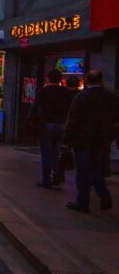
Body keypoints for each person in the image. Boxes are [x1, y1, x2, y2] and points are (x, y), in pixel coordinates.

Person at [61, 70, 119, 213]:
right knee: (96, 168)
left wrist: (67, 140)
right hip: (101, 140)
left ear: (87, 80)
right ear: (101, 80)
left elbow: (73, 120)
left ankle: (83, 202)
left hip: (82, 140)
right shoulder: (110, 98)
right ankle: (104, 194)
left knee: (83, 172)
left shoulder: (82, 97)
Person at [28, 69, 73, 188]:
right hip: (62, 125)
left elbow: (35, 107)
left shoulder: (44, 91)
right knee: (57, 152)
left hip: (46, 125)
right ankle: (57, 175)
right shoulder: (66, 93)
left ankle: (46, 179)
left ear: (48, 78)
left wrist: (31, 121)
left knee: (46, 153)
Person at [52, 75, 80, 185]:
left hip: (65, 125)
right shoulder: (80, 95)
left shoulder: (63, 95)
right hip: (80, 130)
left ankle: (58, 175)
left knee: (61, 152)